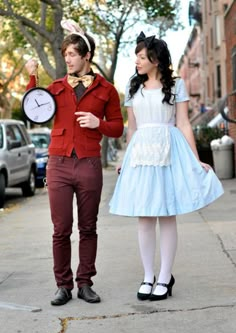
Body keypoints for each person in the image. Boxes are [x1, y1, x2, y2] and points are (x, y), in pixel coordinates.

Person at [109, 31, 224, 301]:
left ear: (155, 59)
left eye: (141, 56)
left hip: (169, 149)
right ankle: (148, 276)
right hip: (141, 153)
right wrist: (126, 158)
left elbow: (183, 123)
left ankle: (164, 277)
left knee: (167, 213)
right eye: (136, 57)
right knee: (145, 215)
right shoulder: (132, 86)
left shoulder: (176, 85)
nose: (136, 61)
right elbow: (132, 127)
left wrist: (195, 159)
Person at [25, 19, 123, 306]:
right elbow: (34, 111)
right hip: (58, 163)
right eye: (64, 54)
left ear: (86, 56)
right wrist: (32, 78)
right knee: (61, 228)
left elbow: (118, 127)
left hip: (90, 163)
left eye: (71, 54)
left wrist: (99, 123)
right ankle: (63, 285)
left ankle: (85, 283)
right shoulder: (55, 87)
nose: (66, 59)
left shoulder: (107, 90)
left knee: (88, 227)